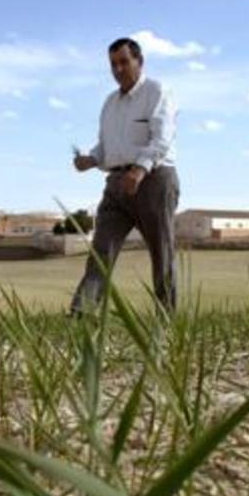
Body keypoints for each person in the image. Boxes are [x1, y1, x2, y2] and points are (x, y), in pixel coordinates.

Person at [70, 36, 180, 314]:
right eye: (113, 64)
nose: (118, 69)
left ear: (139, 62)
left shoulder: (157, 91)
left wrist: (140, 170)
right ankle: (82, 313)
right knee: (101, 251)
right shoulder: (110, 103)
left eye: (123, 62)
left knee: (162, 252)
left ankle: (165, 318)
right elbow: (108, 147)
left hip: (154, 181)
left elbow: (162, 139)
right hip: (116, 185)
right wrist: (91, 159)